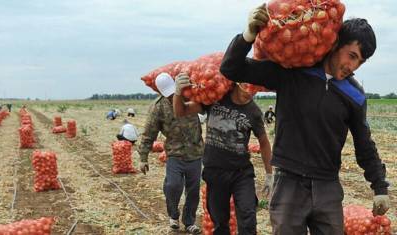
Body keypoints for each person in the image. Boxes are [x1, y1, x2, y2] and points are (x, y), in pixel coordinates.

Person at [220, 6, 390, 234]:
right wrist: (247, 35)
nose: (353, 67)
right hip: (289, 183)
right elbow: (231, 68)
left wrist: (379, 186)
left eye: (360, 62)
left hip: (328, 186)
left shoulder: (355, 95)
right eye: (351, 56)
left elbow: (364, 145)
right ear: (337, 43)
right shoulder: (293, 72)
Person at [174, 74, 273, 235]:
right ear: (238, 82)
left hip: (242, 173)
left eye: (255, 88)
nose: (251, 91)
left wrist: (269, 174)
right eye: (248, 85)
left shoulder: (253, 111)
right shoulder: (216, 97)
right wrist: (178, 92)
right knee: (220, 222)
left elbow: (264, 142)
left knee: (248, 216)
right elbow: (181, 111)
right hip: (215, 172)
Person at [137, 72, 204, 234]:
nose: (171, 96)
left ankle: (189, 222)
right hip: (175, 153)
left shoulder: (189, 96)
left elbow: (207, 106)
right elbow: (148, 133)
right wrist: (143, 157)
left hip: (195, 152)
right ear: (160, 92)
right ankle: (173, 215)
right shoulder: (158, 107)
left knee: (193, 190)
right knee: (173, 185)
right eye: (167, 94)